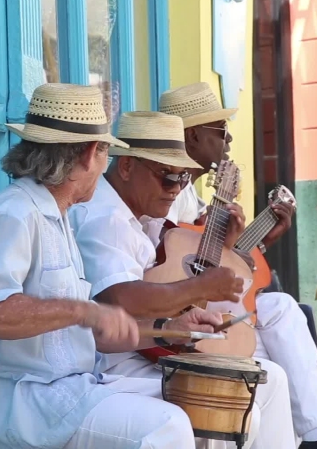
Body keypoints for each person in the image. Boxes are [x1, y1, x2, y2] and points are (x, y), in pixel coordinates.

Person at [0, 83, 225, 449]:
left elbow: (82, 333)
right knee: (165, 426)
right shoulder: (12, 214)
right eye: (106, 150)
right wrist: (84, 310)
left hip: (70, 388)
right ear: (90, 154)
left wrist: (168, 328)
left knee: (204, 402)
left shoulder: (58, 217)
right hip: (19, 402)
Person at [128, 82, 317, 449]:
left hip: (200, 304)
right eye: (220, 130)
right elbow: (167, 267)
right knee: (273, 369)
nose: (229, 138)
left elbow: (217, 263)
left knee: (283, 307)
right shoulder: (158, 191)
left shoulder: (186, 192)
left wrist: (260, 239)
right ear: (193, 136)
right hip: (170, 316)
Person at [70, 110, 298, 449]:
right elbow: (118, 298)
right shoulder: (105, 219)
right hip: (115, 365)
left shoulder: (141, 214)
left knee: (271, 379)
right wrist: (198, 289)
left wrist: (187, 313)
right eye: (167, 177)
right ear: (127, 167)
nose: (176, 189)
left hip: (150, 348)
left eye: (182, 178)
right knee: (226, 401)